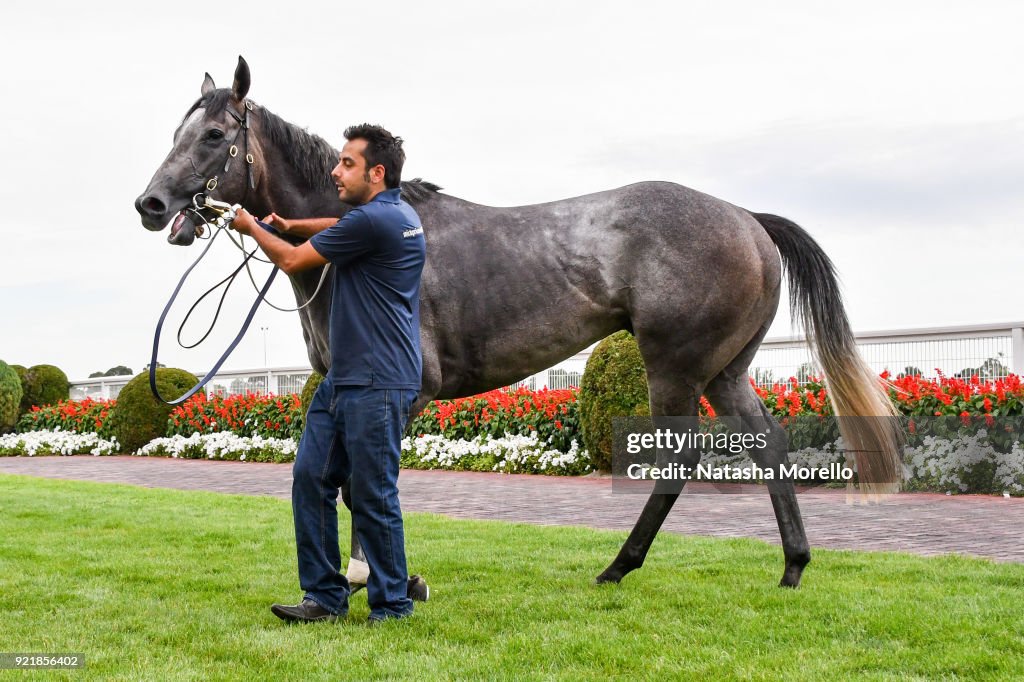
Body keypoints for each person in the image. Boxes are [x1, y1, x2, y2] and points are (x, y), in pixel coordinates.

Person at [230, 123, 426, 625]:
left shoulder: (372, 222)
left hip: (378, 381)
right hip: (348, 376)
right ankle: (325, 597)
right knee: (309, 476)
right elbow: (329, 229)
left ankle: (393, 605)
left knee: (374, 493)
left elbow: (295, 261)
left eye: (347, 164)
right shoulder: (394, 214)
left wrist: (253, 226)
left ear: (375, 173)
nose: (335, 171)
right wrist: (290, 223)